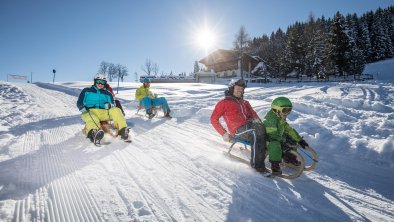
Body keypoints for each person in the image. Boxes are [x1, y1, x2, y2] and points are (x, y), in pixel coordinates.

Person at [211, 79, 266, 172]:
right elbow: (213, 119)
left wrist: (262, 125)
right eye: (237, 88)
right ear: (231, 89)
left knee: (266, 128)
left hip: (251, 127)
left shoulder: (245, 102)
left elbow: (254, 115)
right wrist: (223, 133)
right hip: (238, 131)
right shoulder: (224, 103)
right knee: (256, 129)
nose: (240, 90)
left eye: (241, 89)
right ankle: (257, 165)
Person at [263, 97, 309, 175]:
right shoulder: (269, 120)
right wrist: (284, 142)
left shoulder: (280, 117)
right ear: (275, 109)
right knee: (276, 144)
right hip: (268, 141)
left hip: (278, 138)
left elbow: (289, 129)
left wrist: (299, 140)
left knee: (291, 139)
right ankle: (275, 165)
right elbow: (273, 136)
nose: (287, 113)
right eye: (285, 110)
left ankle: (289, 159)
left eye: (289, 110)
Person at [77, 73, 129, 142]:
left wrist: (110, 105)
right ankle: (94, 133)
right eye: (98, 81)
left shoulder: (107, 93)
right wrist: (81, 106)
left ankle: (122, 130)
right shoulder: (86, 90)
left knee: (116, 110)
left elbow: (113, 103)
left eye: (103, 82)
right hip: (89, 111)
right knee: (93, 119)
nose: (100, 84)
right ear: (95, 81)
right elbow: (79, 102)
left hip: (103, 113)